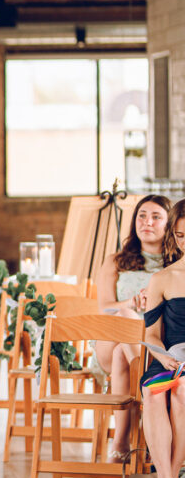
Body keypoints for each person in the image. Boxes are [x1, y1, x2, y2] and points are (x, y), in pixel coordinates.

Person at [94, 195, 179, 462]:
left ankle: (120, 442)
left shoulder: (174, 267)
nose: (147, 222)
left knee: (124, 353)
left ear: (169, 225)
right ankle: (150, 384)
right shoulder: (116, 261)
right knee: (127, 316)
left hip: (149, 344)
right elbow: (103, 307)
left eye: (156, 217)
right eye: (142, 215)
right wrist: (130, 302)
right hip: (113, 334)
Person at [139, 198, 185, 478]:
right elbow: (151, 335)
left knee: (181, 393)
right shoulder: (163, 279)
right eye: (181, 235)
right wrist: (162, 355)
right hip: (168, 359)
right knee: (154, 395)